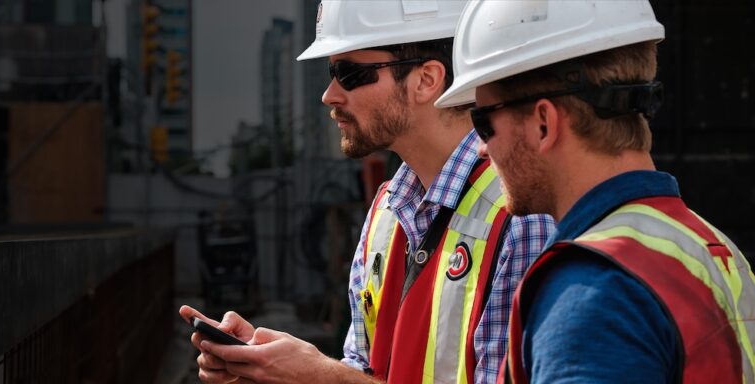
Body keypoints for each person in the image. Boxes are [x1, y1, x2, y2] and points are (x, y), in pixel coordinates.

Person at [180, 1, 555, 383]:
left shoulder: (521, 215)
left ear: (426, 79)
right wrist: (274, 371)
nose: (329, 94)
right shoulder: (386, 211)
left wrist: (320, 377)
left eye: (350, 73)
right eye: (331, 72)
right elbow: (365, 369)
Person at [435, 1, 755, 383]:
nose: (480, 147)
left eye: (483, 123)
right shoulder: (709, 247)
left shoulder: (590, 292)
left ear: (543, 123)